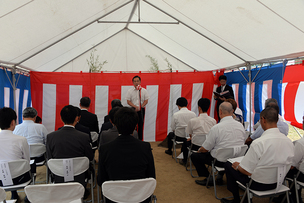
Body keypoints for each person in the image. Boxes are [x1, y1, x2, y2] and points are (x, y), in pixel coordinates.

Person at [221, 107, 294, 203]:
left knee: (229, 165)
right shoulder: (289, 142)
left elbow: (246, 170)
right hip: (278, 183)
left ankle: (237, 200)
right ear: (276, 120)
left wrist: (238, 166)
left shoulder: (259, 143)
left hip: (258, 184)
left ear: (263, 120)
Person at [98, 107, 155, 203]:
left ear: (115, 124)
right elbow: (151, 176)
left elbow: (101, 181)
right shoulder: (145, 147)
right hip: (140, 198)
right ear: (135, 126)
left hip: (114, 198)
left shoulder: (105, 149)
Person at [191, 102, 246, 186]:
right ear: (232, 111)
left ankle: (209, 178)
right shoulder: (240, 126)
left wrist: (199, 150)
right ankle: (220, 176)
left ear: (220, 112)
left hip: (220, 161)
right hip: (236, 159)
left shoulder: (217, 128)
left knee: (195, 156)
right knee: (221, 151)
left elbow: (205, 148)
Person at [46, 105, 94, 194]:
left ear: (61, 118)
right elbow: (90, 157)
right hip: (80, 177)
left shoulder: (50, 137)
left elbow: (49, 158)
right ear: (77, 118)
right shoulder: (83, 137)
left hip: (58, 176)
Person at [0, 107, 31, 201]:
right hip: (20, 179)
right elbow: (27, 161)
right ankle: (28, 196)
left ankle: (14, 194)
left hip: (0, 181)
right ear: (13, 122)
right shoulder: (21, 140)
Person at [181, 98, 216, 165]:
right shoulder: (213, 121)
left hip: (196, 146)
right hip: (209, 147)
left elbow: (190, 135)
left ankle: (185, 160)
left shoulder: (192, 121)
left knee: (186, 141)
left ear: (199, 107)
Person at [126, 75, 149, 140]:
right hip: (133, 110)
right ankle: (132, 139)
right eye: (135, 81)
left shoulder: (144, 90)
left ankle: (140, 140)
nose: (136, 82)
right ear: (133, 82)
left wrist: (141, 106)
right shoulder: (130, 91)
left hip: (141, 109)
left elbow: (146, 100)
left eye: (137, 81)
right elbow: (128, 101)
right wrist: (135, 106)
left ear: (140, 82)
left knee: (141, 125)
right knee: (132, 124)